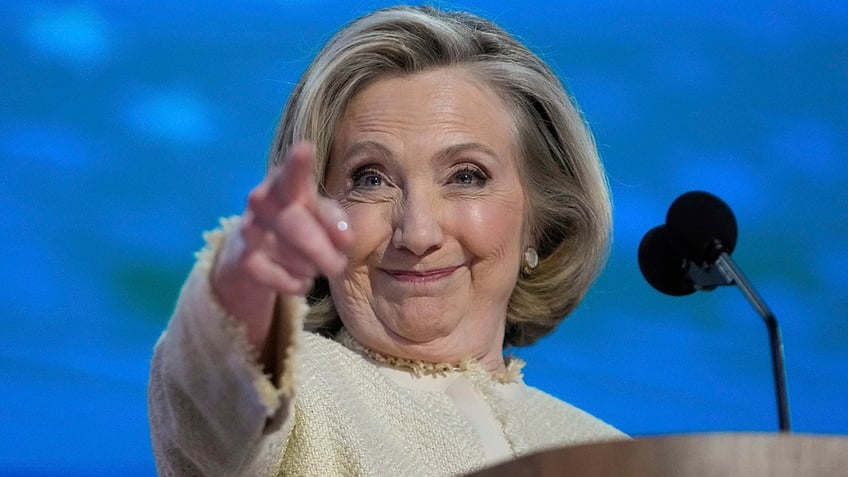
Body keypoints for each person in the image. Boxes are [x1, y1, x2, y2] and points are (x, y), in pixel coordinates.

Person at [148, 5, 625, 476]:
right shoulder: (287, 401)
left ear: (541, 218)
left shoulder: (613, 453)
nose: (417, 233)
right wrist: (240, 293)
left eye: (466, 176)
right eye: (370, 179)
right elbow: (212, 395)